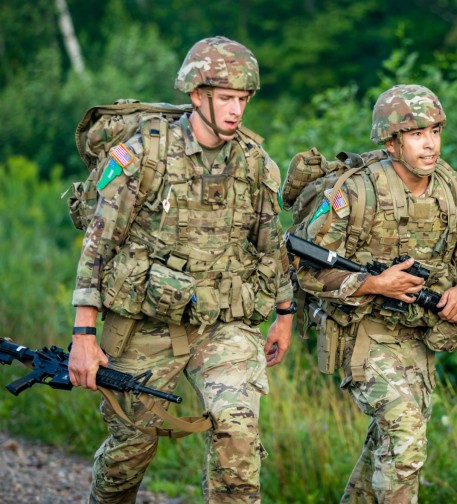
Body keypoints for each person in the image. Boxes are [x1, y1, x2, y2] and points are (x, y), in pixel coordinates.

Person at [68, 36, 295, 504]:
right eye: (226, 98)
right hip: (145, 324)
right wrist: (83, 336)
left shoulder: (255, 163)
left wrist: (285, 314)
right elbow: (98, 245)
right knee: (129, 452)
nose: (236, 110)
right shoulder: (144, 155)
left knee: (238, 434)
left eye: (243, 99)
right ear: (197, 95)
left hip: (224, 324)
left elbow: (273, 247)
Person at [294, 84, 457, 503]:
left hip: (419, 338)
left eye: (435, 131)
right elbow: (304, 268)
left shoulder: (456, 191)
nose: (430, 143)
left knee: (387, 446)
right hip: (361, 335)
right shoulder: (355, 192)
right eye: (417, 133)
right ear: (390, 141)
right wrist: (372, 284)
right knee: (406, 436)